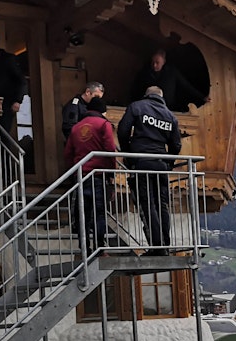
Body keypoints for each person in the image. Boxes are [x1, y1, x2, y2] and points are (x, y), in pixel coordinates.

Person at [117, 85, 181, 256]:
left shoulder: (137, 107)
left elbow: (123, 130)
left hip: (141, 161)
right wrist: (169, 163)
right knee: (162, 204)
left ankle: (156, 246)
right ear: (162, 97)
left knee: (146, 203)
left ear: (146, 95)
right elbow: (176, 145)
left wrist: (128, 153)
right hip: (161, 163)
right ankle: (165, 246)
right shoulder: (170, 116)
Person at [63, 96, 119, 251]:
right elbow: (109, 150)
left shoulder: (76, 127)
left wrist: (74, 169)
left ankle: (84, 247)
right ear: (102, 111)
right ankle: (100, 247)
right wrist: (111, 175)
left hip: (80, 176)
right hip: (98, 175)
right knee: (99, 213)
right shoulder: (103, 124)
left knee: (83, 215)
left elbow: (68, 153)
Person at [129, 49, 206, 112]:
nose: (154, 65)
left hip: (167, 109)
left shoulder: (172, 72)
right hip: (148, 109)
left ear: (163, 62)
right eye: (152, 62)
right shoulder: (145, 73)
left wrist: (202, 97)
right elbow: (136, 90)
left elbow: (186, 86)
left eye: (157, 62)